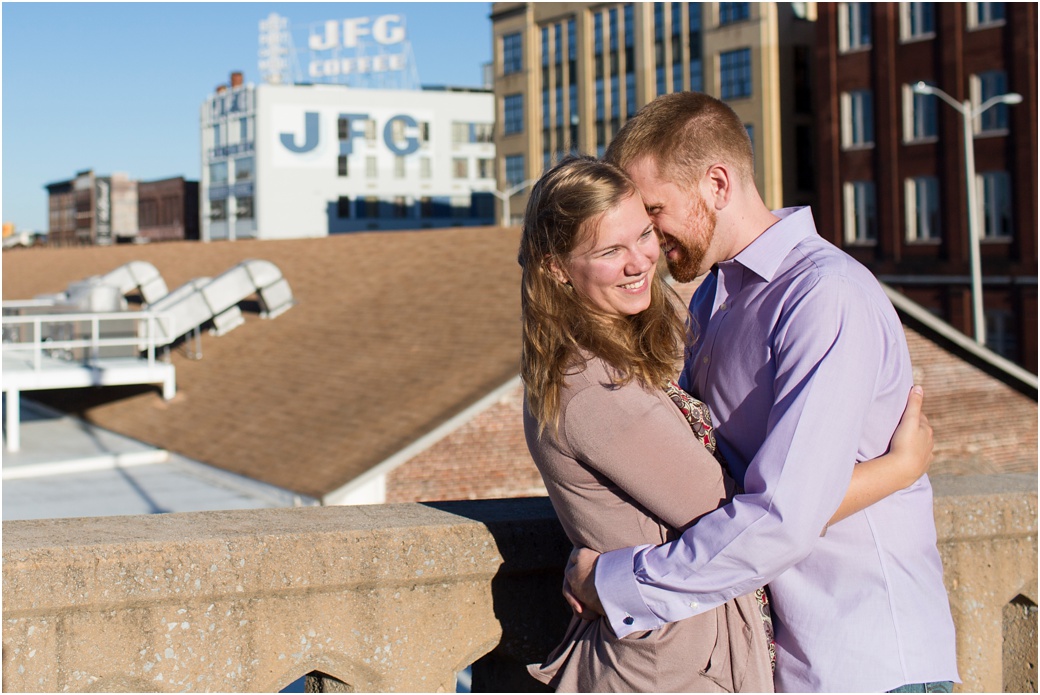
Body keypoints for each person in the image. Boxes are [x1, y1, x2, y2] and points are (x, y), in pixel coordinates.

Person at [563, 93, 959, 693]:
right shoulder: (712, 299)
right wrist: (897, 469)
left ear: (717, 183)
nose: (647, 241)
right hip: (787, 663)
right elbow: (716, 476)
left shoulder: (824, 297)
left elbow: (784, 512)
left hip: (867, 659)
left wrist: (618, 586)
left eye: (654, 212)